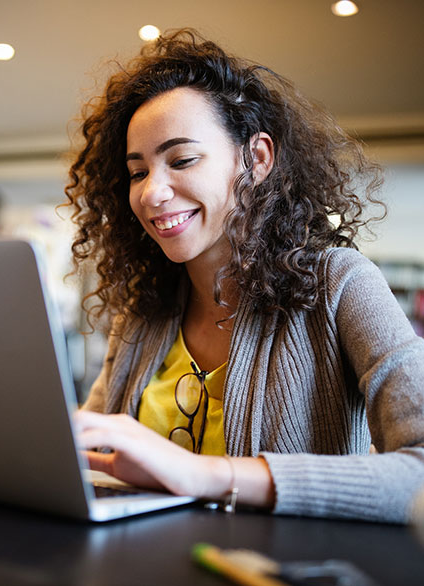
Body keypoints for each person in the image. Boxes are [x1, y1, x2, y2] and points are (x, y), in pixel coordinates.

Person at [65, 28, 424, 523]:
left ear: (255, 159)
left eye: (182, 160)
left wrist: (203, 473)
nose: (151, 194)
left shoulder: (341, 284)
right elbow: (90, 441)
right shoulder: (145, 311)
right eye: (138, 172)